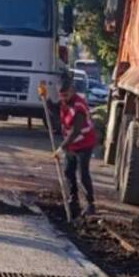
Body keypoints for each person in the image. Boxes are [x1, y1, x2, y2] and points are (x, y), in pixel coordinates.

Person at [52, 71, 97, 218]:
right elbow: (54, 109)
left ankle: (90, 204)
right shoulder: (64, 102)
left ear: (72, 91)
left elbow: (76, 131)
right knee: (68, 171)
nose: (63, 98)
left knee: (82, 173)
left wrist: (62, 147)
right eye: (61, 95)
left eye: (65, 95)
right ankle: (73, 201)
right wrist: (45, 99)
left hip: (84, 143)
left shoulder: (79, 107)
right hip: (72, 145)